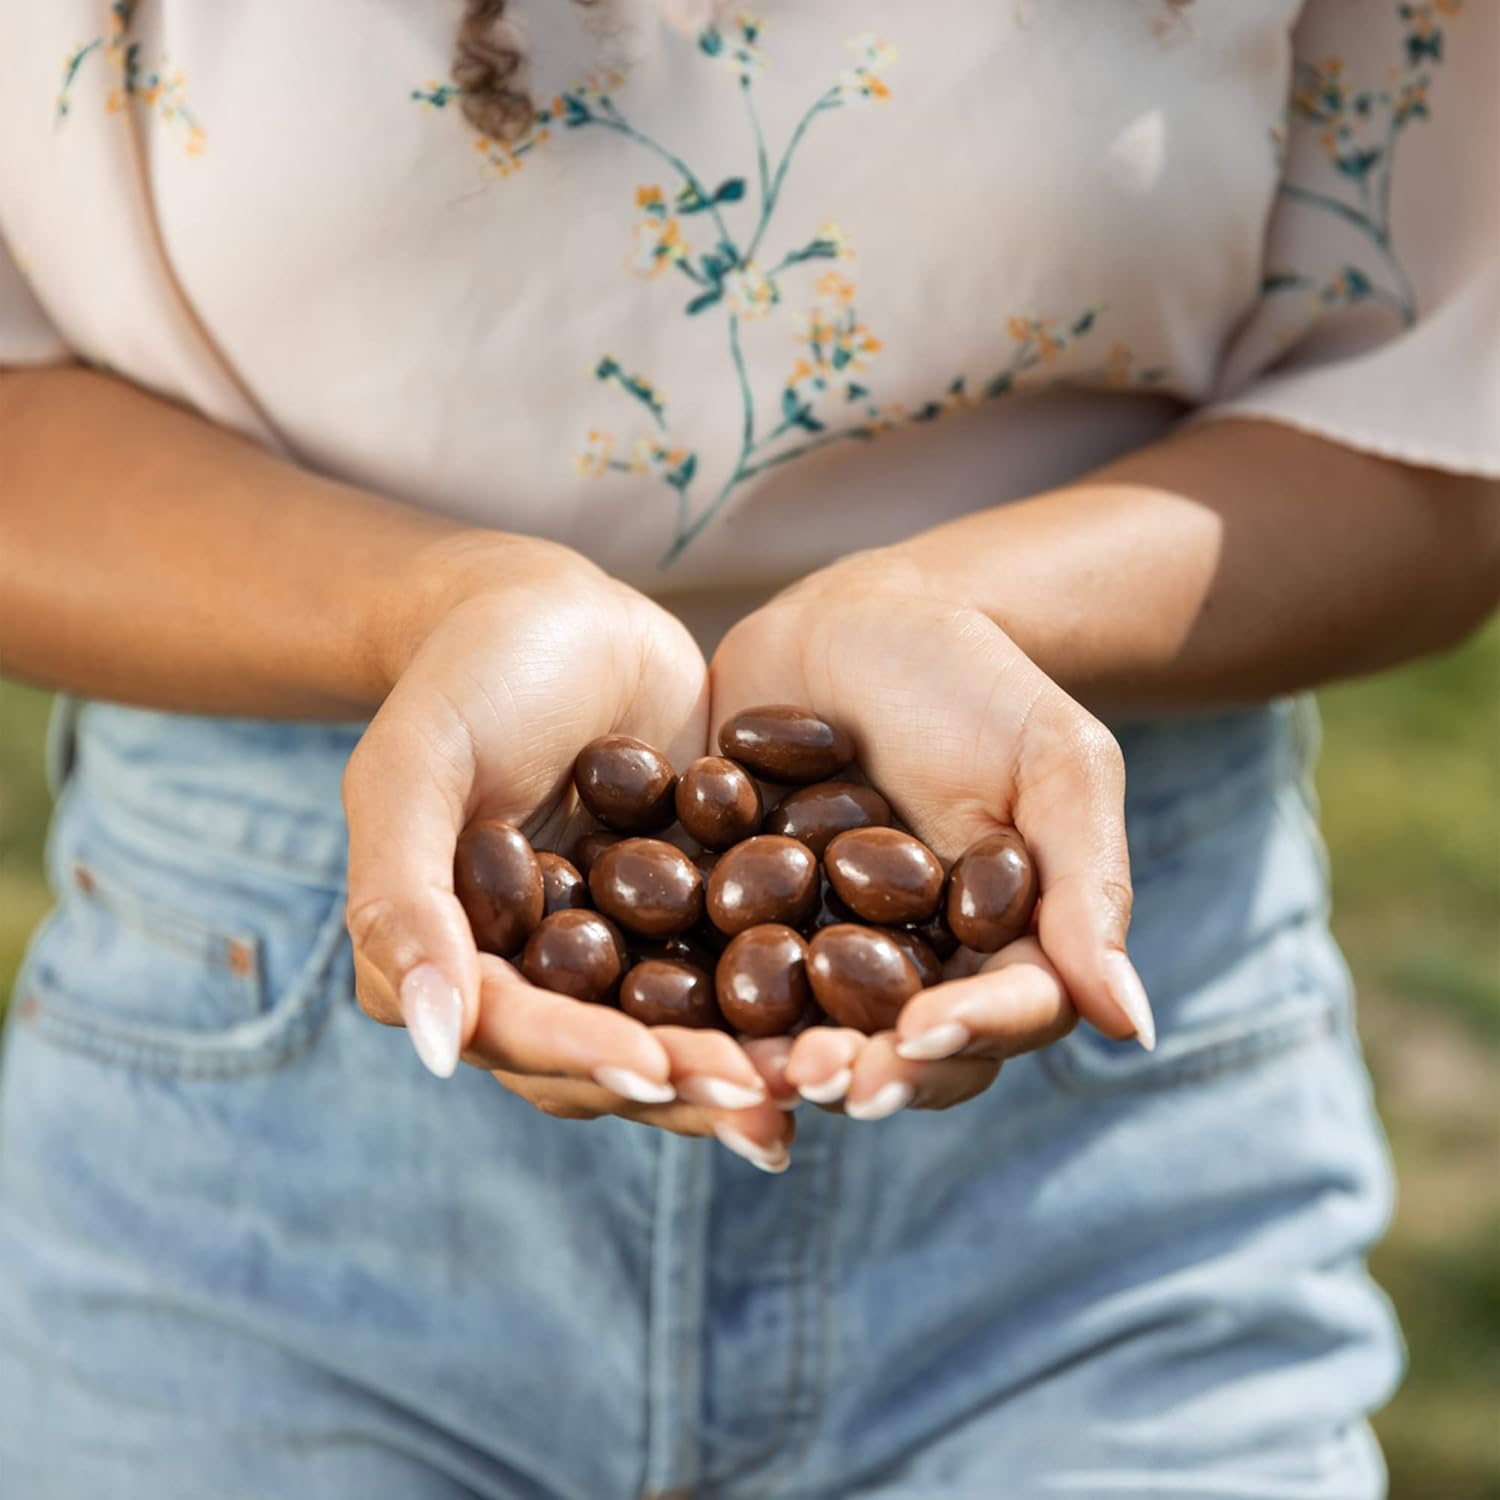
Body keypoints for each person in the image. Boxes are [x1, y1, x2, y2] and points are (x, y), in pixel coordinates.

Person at [0, 1, 1494, 1495]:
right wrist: (443, 609)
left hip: (1090, 1134)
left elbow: (1450, 428)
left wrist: (950, 610)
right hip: (250, 1156)